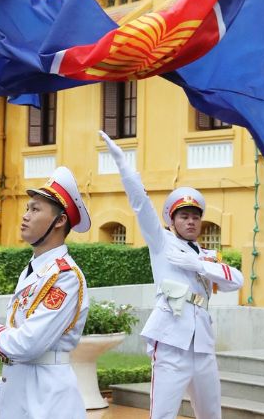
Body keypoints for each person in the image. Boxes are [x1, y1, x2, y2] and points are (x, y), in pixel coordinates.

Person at [99, 131, 243, 419]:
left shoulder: (206, 256)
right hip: (171, 342)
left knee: (212, 414)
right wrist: (124, 166)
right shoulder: (162, 243)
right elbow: (141, 205)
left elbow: (235, 280)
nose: (191, 221)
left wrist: (199, 266)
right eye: (184, 216)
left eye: (195, 216)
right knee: (162, 414)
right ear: (172, 220)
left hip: (201, 343)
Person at [0, 166, 92, 419]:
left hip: (48, 402)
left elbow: (28, 345)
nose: (26, 215)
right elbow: (19, 351)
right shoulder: (34, 270)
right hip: (21, 398)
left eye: (35, 209)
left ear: (60, 220)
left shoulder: (65, 277)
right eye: (27, 208)